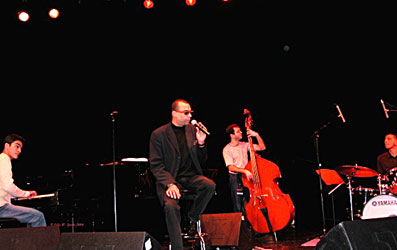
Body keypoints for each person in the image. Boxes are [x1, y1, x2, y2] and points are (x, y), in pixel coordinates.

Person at [149, 99, 216, 250]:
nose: (189, 116)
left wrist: (201, 144)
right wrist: (170, 184)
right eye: (186, 112)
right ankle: (178, 247)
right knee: (171, 207)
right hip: (169, 178)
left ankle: (192, 218)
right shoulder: (159, 134)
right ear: (174, 113)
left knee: (209, 185)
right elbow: (156, 164)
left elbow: (201, 161)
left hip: (189, 177)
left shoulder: (192, 131)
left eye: (191, 112)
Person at [0, 134, 47, 227]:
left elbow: (2, 189)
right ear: (6, 146)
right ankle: (40, 241)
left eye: (20, 148)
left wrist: (14, 196)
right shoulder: (4, 159)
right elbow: (8, 186)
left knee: (31, 217)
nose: (19, 151)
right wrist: (26, 194)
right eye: (17, 146)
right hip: (1, 208)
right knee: (38, 216)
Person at [222, 124, 266, 214]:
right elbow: (231, 167)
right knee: (238, 204)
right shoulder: (227, 149)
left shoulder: (244, 145)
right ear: (232, 135)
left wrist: (256, 135)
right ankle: (240, 224)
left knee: (249, 200)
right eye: (238, 131)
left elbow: (262, 147)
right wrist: (244, 170)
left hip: (246, 175)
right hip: (236, 177)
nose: (241, 132)